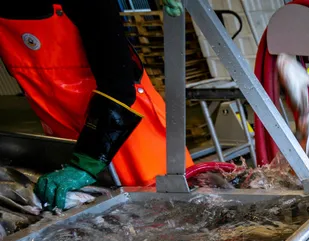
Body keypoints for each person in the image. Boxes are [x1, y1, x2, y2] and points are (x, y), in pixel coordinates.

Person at [0, 1, 191, 209]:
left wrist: (86, 164)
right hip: (68, 141)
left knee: (169, 212)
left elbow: (118, 85)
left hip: (126, 130)